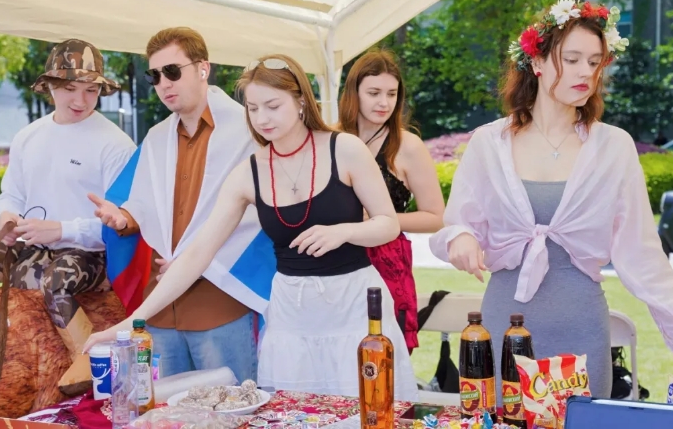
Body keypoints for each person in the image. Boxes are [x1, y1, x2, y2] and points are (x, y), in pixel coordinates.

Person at [85, 53, 420, 400]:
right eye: (253, 108)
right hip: (292, 313)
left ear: (301, 101)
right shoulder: (248, 172)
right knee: (295, 413)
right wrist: (132, 322)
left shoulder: (345, 149)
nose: (262, 119)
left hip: (352, 304)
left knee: (367, 409)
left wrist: (344, 232)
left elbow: (387, 224)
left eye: (273, 106)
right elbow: (198, 253)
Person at [429, 0, 673, 400]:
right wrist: (460, 237)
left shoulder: (613, 147)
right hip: (505, 325)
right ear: (537, 61)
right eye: (572, 59)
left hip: (581, 330)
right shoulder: (488, 143)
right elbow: (455, 226)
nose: (586, 71)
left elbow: (644, 258)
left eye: (595, 61)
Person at [88, 27, 275, 383]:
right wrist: (123, 218)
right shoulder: (156, 137)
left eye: (172, 71)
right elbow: (145, 204)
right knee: (165, 409)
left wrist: (196, 260)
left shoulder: (249, 130)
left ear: (203, 68)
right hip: (161, 305)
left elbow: (259, 218)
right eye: (155, 76)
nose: (164, 83)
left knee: (230, 407)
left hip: (220, 300)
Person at [0, 39, 136, 362]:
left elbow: (122, 223)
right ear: (50, 86)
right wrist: (6, 219)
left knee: (55, 280)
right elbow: (11, 194)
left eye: (91, 90)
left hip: (90, 256)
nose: (80, 100)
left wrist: (61, 230)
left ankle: (87, 362)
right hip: (30, 249)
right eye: (70, 88)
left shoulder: (116, 145)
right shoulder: (28, 136)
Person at [338, 48, 444, 353]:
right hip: (336, 261)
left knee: (385, 359)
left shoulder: (408, 146)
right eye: (374, 93)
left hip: (386, 265)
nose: (384, 102)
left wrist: (380, 221)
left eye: (392, 94)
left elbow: (437, 216)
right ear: (354, 92)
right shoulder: (330, 138)